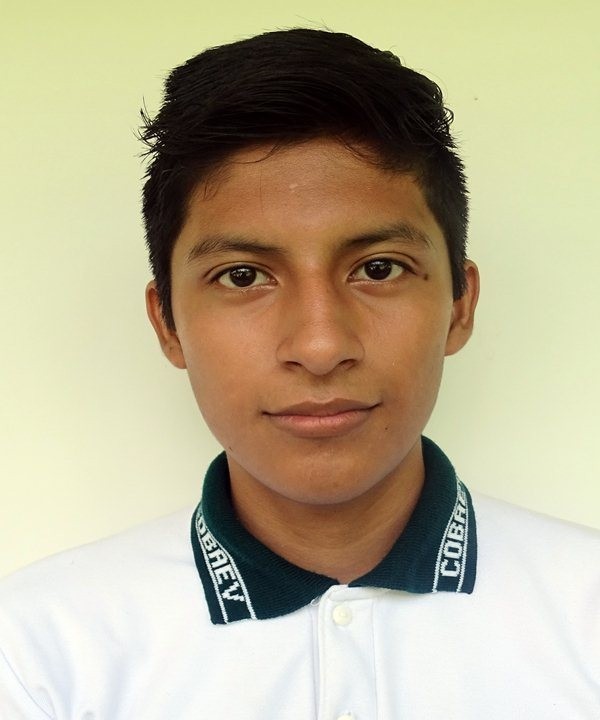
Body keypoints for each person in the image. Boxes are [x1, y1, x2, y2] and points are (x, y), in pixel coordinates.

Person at [0, 28, 598, 720]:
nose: (319, 346)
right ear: (168, 325)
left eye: (378, 268)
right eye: (243, 276)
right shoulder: (38, 653)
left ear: (459, 306)